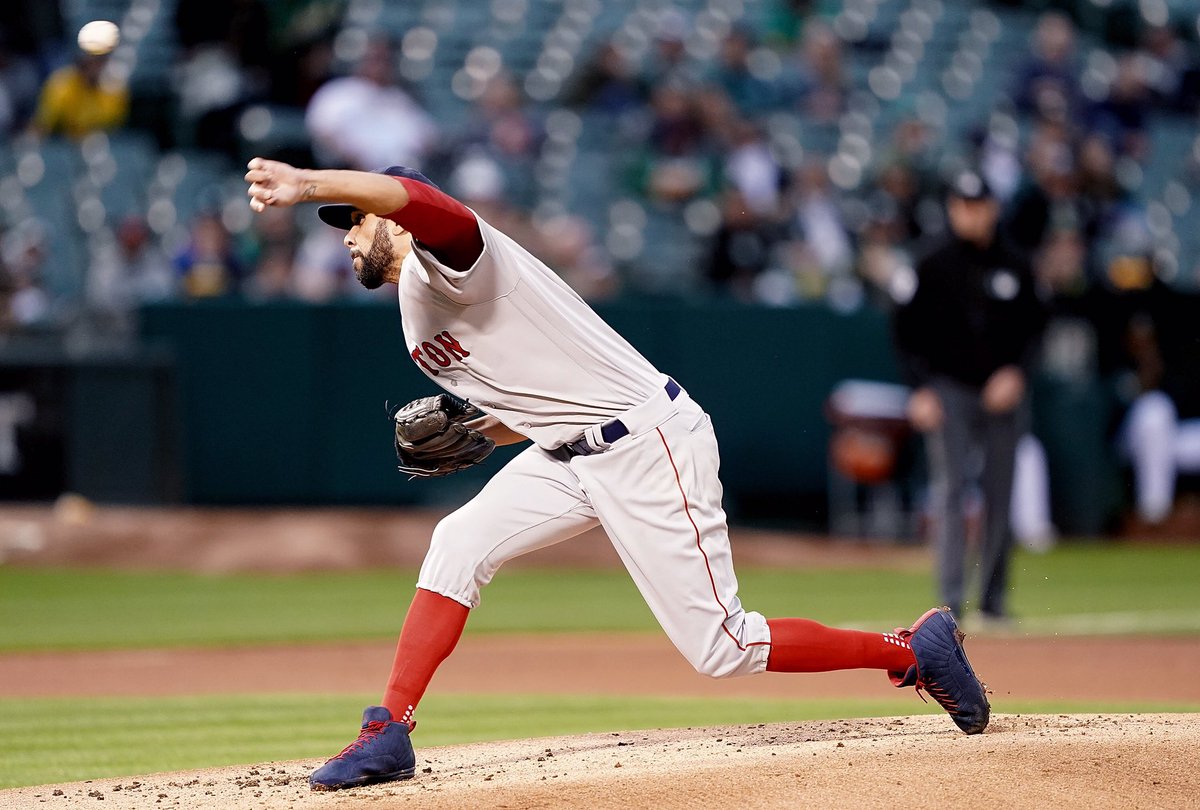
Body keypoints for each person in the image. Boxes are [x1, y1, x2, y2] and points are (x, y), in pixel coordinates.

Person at [243, 156, 991, 792]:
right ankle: (390, 729)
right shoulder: (414, 310)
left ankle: (911, 651)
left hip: (647, 443)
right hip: (568, 454)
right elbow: (538, 401)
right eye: (343, 224)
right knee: (458, 540)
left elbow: (431, 204)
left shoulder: (459, 257)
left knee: (722, 647)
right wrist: (480, 435)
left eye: (356, 219)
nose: (347, 235)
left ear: (395, 220)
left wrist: (306, 183)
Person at [892, 170, 1048, 623]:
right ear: (952, 208)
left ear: (992, 209)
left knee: (1002, 492)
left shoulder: (1017, 263)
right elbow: (903, 333)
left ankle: (994, 600)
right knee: (951, 490)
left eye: (978, 205)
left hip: (1002, 390)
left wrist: (1018, 373)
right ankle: (950, 603)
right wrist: (918, 387)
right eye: (962, 205)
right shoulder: (929, 262)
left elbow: (1037, 329)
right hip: (949, 388)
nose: (970, 214)